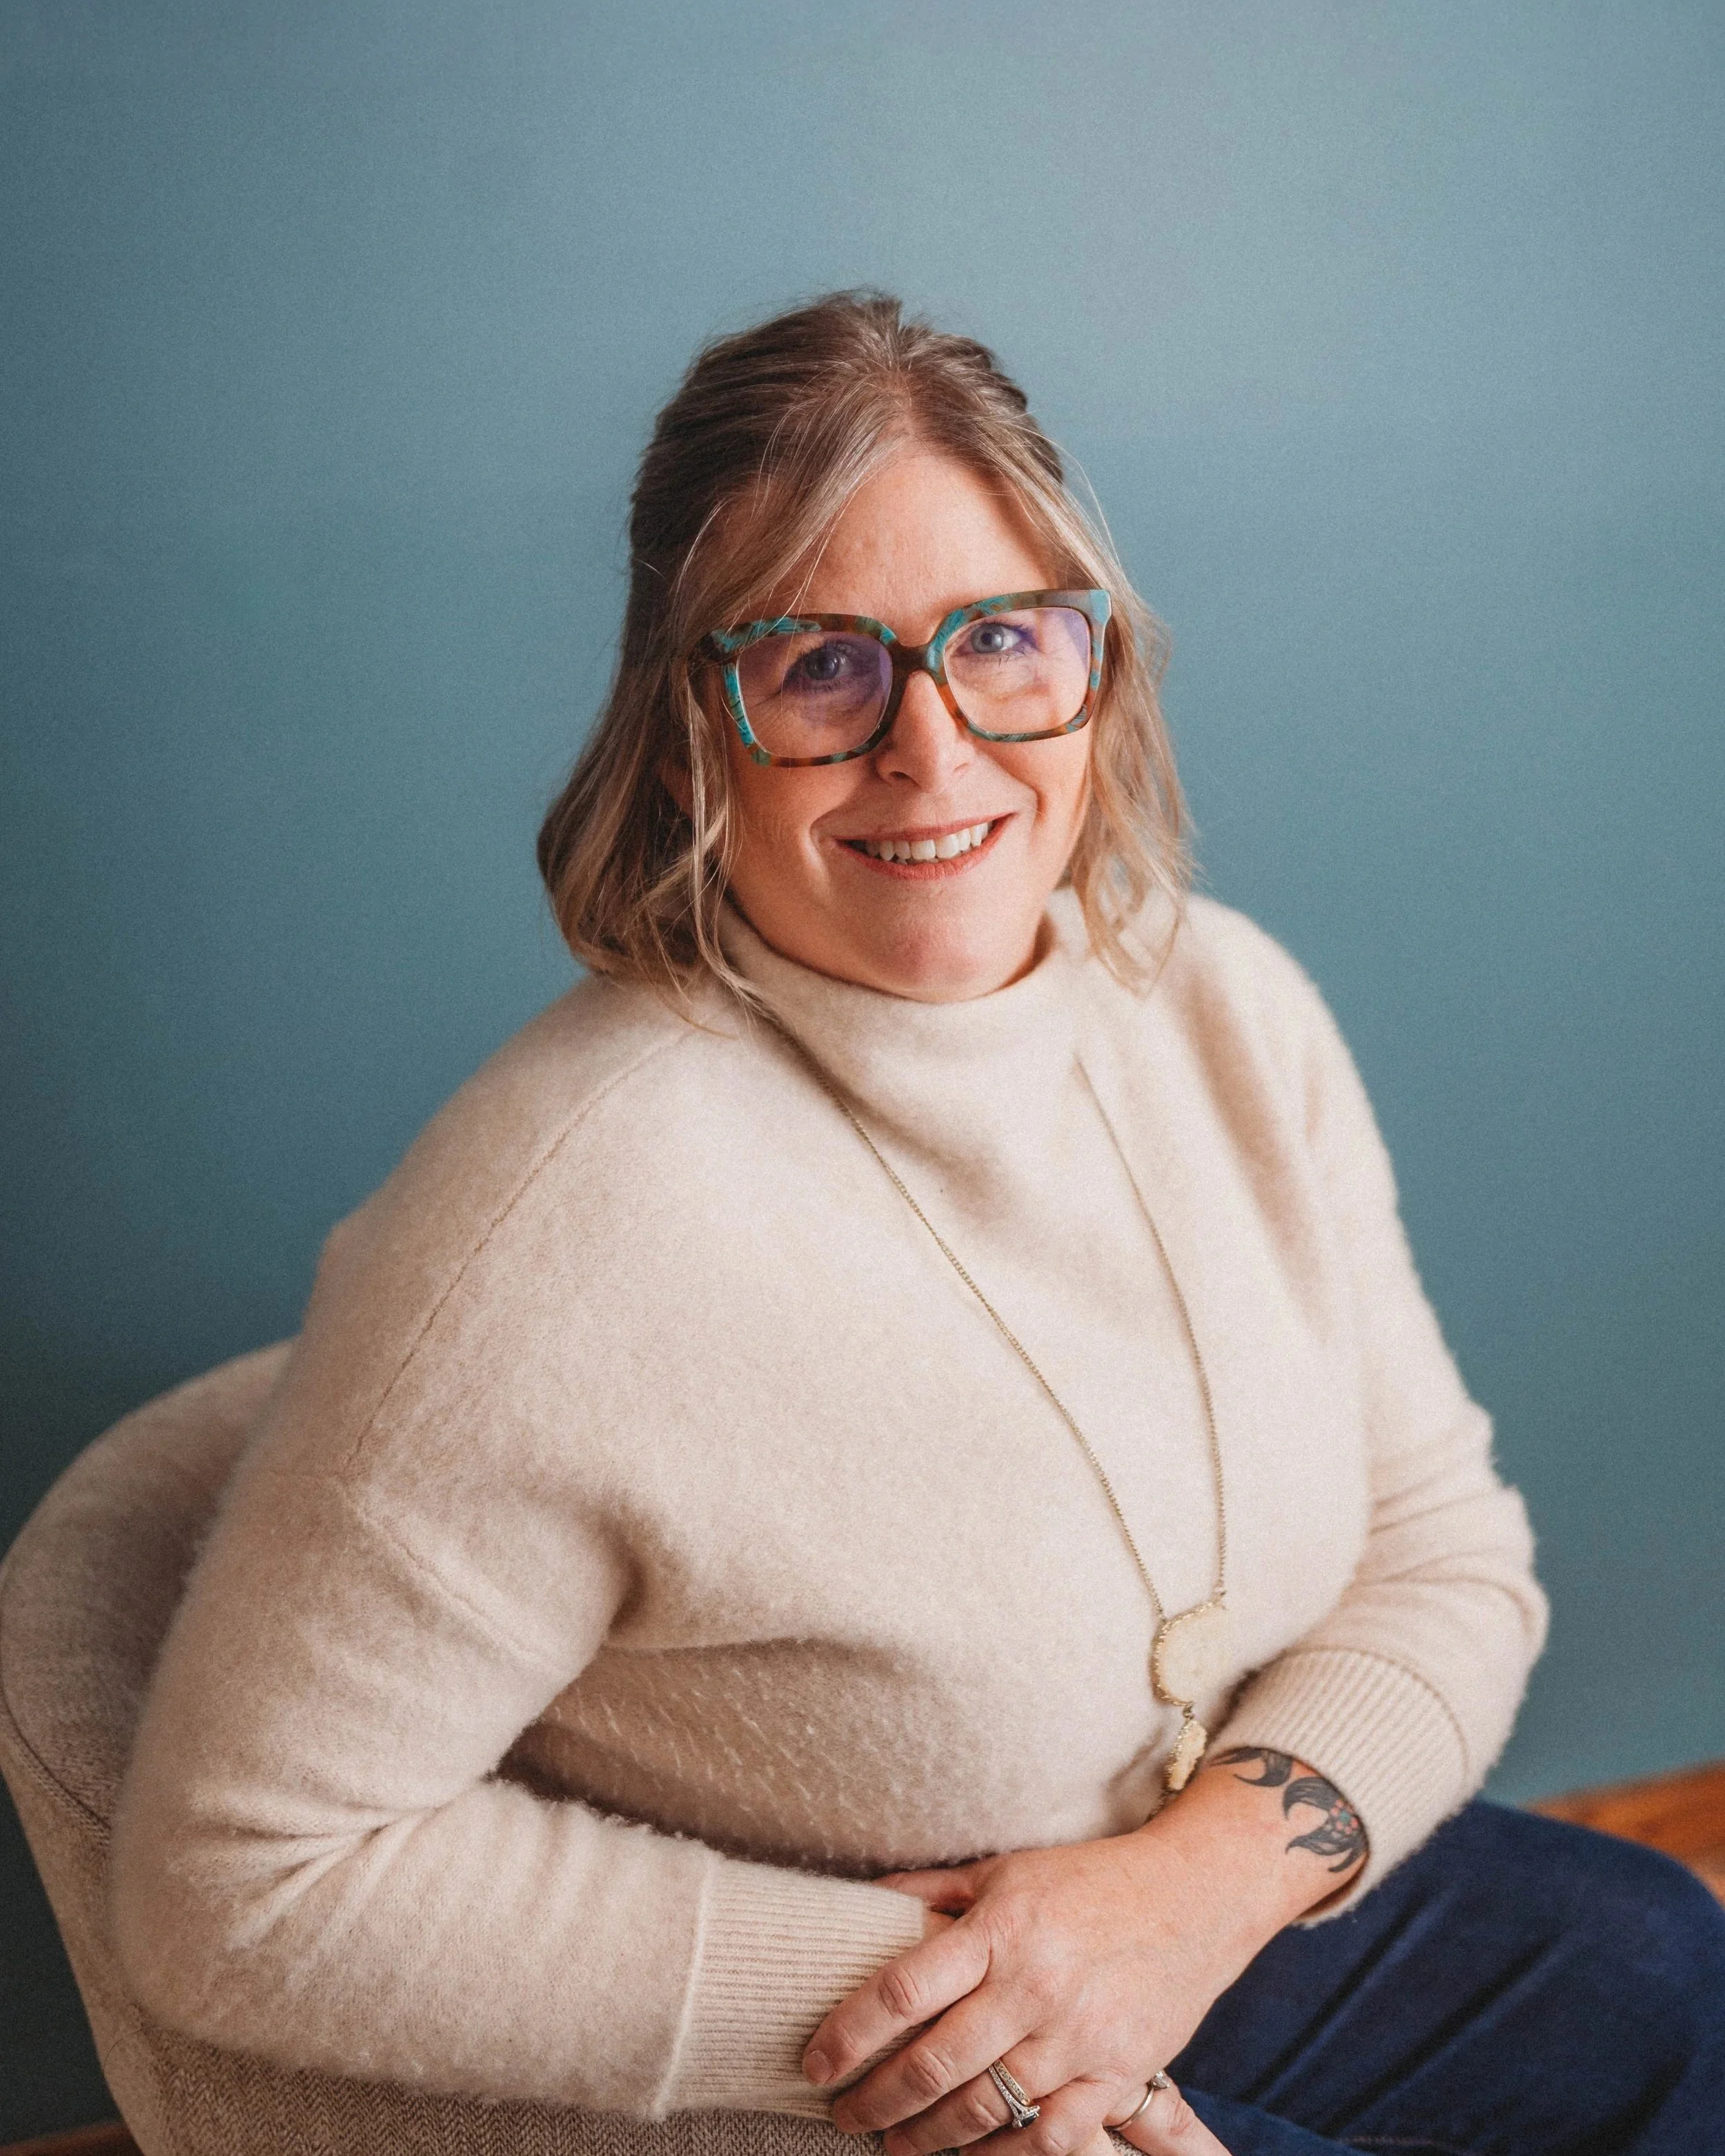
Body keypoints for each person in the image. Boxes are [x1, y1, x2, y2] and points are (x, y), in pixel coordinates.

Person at [108, 293, 1725, 2156]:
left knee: (1657, 1957)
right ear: (685, 728)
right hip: (863, 2031)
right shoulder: (546, 1223)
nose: (933, 750)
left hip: (1180, 1894)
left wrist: (1180, 1898)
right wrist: (966, 2014)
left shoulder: (1226, 1007)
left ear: (1092, 669)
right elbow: (240, 1878)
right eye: (819, 668)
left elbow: (1447, 1547)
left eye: (1001, 642)